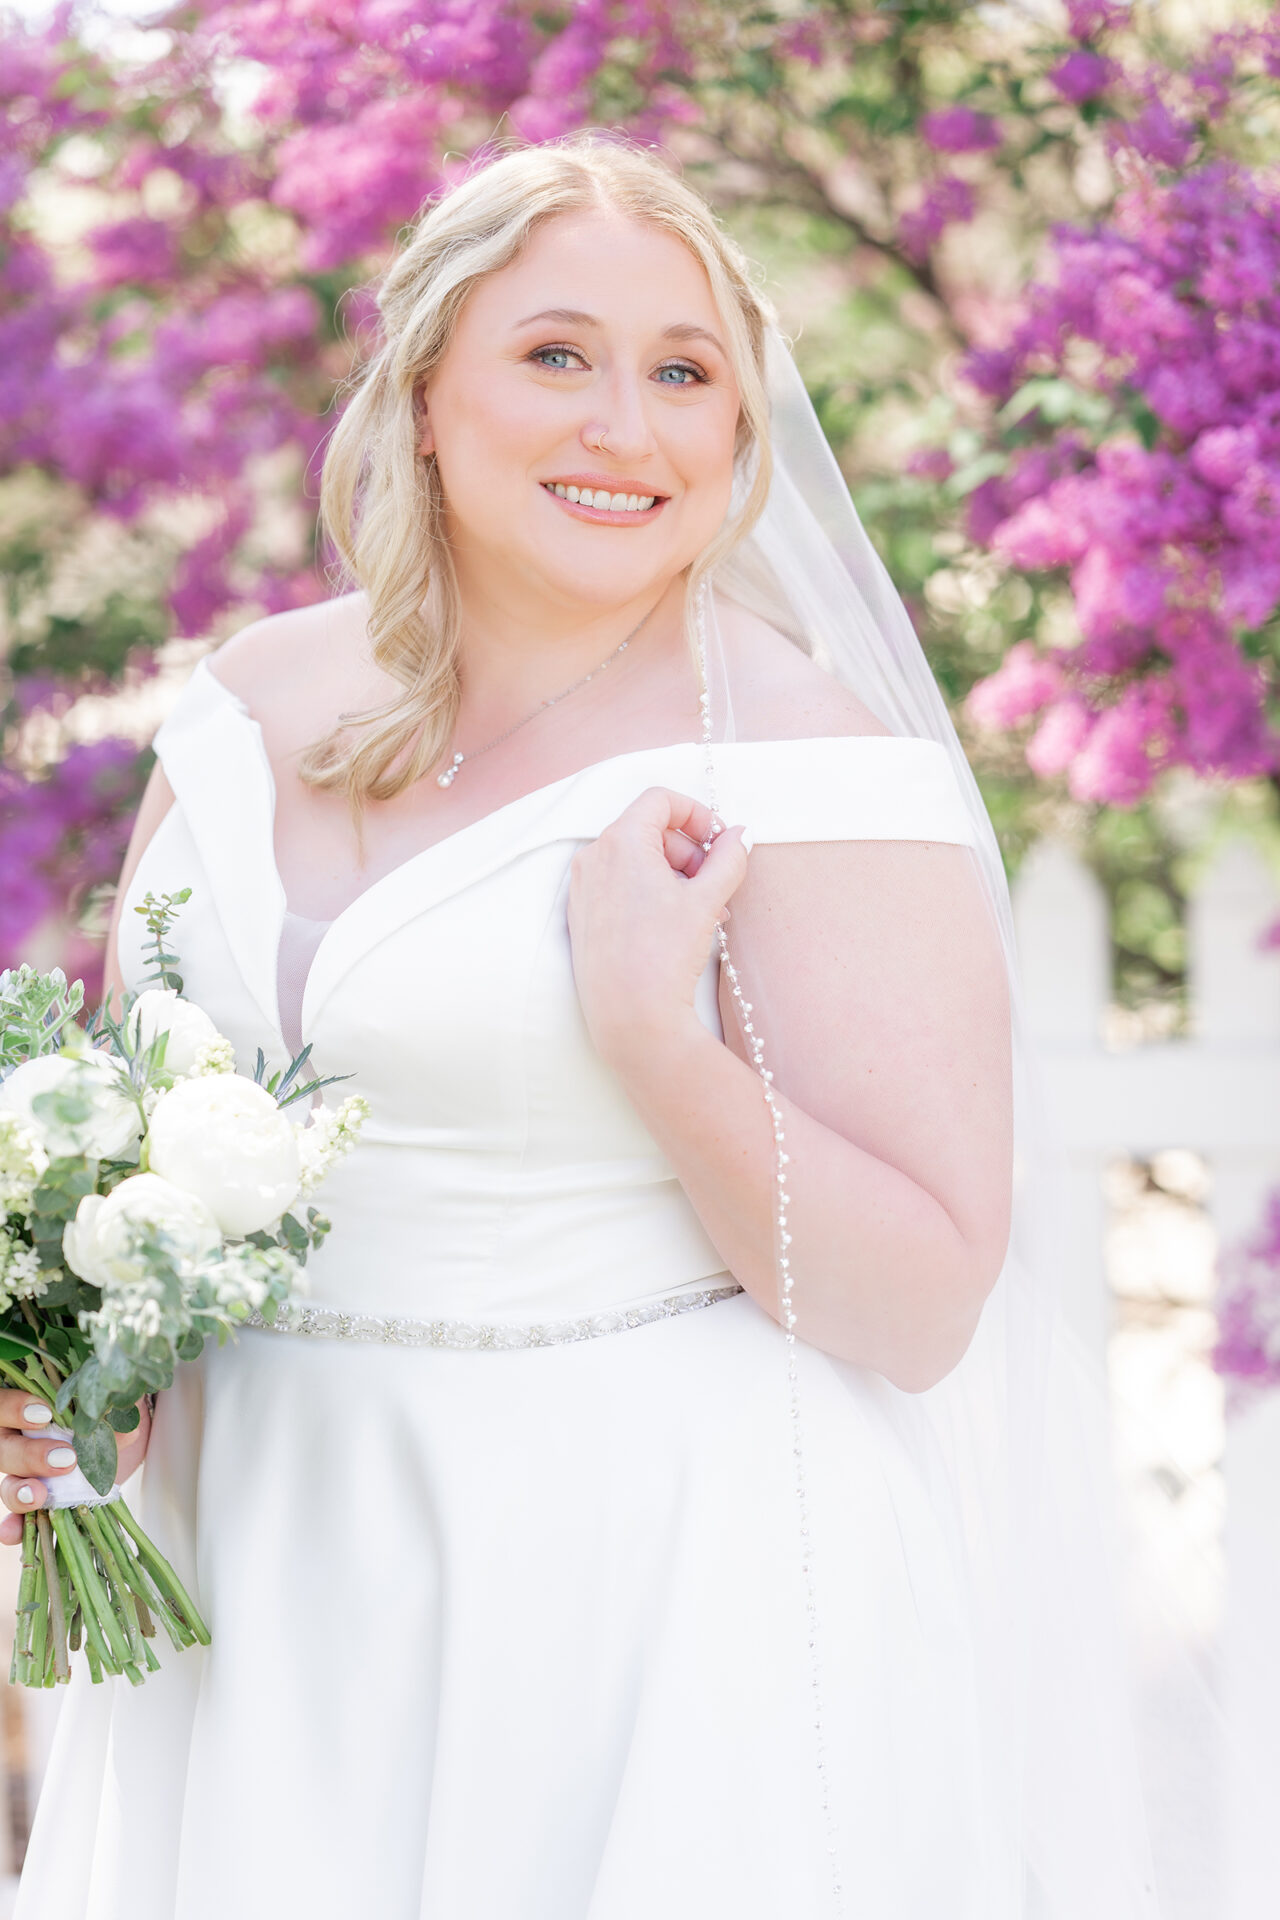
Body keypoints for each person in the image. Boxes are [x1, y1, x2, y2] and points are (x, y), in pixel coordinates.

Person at [3, 134, 1157, 1918]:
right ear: (426, 388)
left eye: (685, 375)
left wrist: (656, 1038)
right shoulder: (242, 710)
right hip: (269, 1587)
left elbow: (922, 1304)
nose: (629, 427)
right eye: (559, 355)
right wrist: (85, 1388)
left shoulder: (814, 772)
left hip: (656, 1604)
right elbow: (138, 1163)